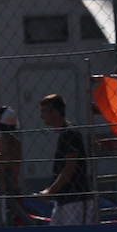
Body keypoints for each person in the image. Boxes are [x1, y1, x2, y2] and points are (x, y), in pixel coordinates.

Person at [37, 94, 93, 225]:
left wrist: (50, 191)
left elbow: (70, 168)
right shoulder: (64, 134)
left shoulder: (70, 133)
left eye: (44, 111)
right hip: (64, 200)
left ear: (55, 113)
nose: (41, 116)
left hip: (77, 200)